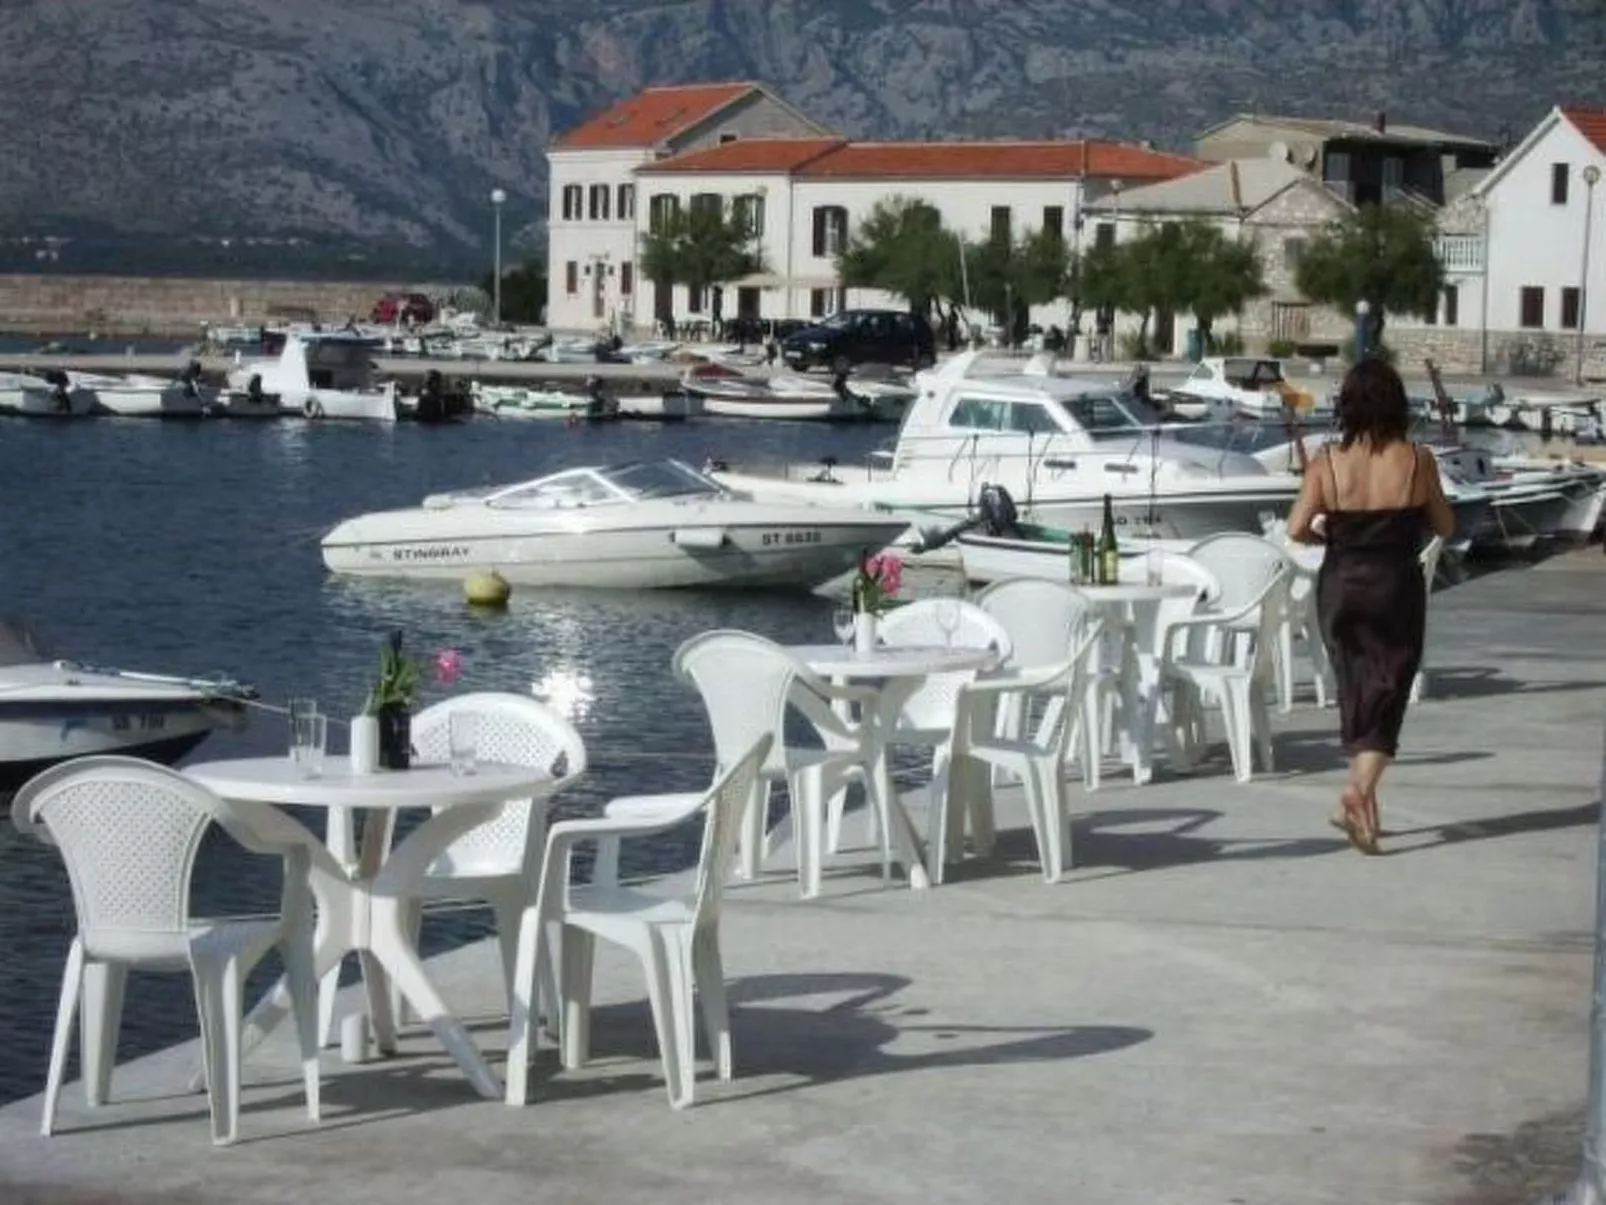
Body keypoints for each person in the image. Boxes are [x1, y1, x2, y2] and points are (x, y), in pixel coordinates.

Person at [1286, 357, 1455, 854]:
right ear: (1397, 405)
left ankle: (1365, 813)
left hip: (1341, 587)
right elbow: (1445, 527)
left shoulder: (1327, 462)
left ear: (1348, 406)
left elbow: (1296, 528)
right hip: (1394, 587)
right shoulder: (1418, 460)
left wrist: (1330, 537)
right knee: (1389, 692)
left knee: (1357, 691)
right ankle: (1356, 795)